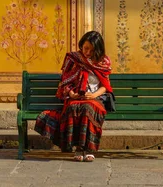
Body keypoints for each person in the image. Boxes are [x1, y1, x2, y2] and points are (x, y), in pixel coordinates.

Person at [34, 31, 112, 162]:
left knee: (87, 108)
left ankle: (88, 149)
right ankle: (77, 148)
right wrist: (71, 94)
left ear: (98, 50)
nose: (87, 52)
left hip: (95, 98)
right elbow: (65, 81)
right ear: (81, 44)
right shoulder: (73, 58)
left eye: (91, 50)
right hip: (75, 97)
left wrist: (93, 95)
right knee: (73, 109)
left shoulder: (103, 62)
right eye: (85, 48)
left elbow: (105, 86)